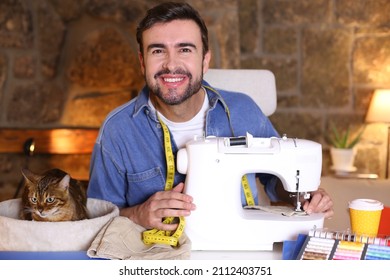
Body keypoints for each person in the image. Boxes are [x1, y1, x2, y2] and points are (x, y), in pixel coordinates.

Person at [87, 2, 334, 232]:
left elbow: (275, 180)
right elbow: (94, 220)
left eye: (185, 49)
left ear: (205, 60)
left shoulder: (243, 110)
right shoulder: (117, 130)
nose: (171, 65)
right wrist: (137, 215)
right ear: (142, 62)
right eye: (158, 51)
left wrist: (302, 196)